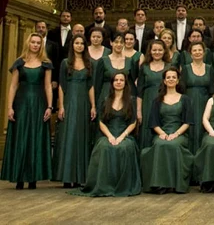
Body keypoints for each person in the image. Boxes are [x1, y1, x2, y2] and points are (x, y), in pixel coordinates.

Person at [74, 72, 140, 197]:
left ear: (126, 83)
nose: (119, 82)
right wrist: (109, 136)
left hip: (124, 134)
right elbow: (101, 122)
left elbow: (133, 123)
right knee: (104, 147)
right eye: (116, 80)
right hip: (108, 133)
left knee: (124, 147)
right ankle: (104, 185)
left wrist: (122, 136)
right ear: (112, 83)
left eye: (121, 80)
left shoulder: (131, 100)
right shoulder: (106, 100)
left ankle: (122, 186)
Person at [1, 33, 53, 189]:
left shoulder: (46, 63)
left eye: (38, 42)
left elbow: (48, 86)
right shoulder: (19, 62)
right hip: (21, 103)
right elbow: (13, 86)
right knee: (21, 137)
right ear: (28, 43)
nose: (36, 45)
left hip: (38, 102)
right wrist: (10, 107)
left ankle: (33, 178)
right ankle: (18, 176)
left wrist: (49, 106)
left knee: (35, 137)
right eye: (33, 42)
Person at [141, 68, 194, 194]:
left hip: (179, 133)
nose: (171, 79)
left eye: (173, 77)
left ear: (177, 80)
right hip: (162, 132)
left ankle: (176, 184)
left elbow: (187, 122)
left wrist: (175, 134)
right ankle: (160, 184)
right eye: (168, 77)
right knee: (160, 144)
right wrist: (163, 134)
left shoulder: (185, 99)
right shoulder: (157, 100)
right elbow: (153, 122)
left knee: (174, 145)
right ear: (164, 81)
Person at [54, 34, 96, 188]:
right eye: (76, 43)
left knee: (81, 137)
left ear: (85, 46)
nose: (79, 46)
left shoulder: (89, 63)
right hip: (70, 101)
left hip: (84, 102)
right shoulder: (65, 63)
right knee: (68, 137)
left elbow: (91, 86)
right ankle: (66, 176)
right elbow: (61, 86)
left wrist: (93, 106)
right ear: (72, 45)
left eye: (82, 43)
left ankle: (79, 176)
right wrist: (61, 106)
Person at [180, 41, 214, 155]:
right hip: (189, 104)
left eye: (200, 50)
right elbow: (181, 89)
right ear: (190, 54)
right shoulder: (185, 69)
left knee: (203, 129)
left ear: (204, 52)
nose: (197, 52)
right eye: (194, 50)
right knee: (190, 129)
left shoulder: (210, 68)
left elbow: (213, 91)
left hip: (205, 104)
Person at [136, 39, 169, 150]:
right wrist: (139, 110)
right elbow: (139, 90)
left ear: (164, 51)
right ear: (150, 51)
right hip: (147, 102)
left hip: (164, 103)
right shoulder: (144, 67)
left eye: (160, 50)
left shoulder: (170, 66)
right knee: (146, 131)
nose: (157, 52)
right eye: (154, 50)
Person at [93, 32, 135, 113]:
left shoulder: (130, 61)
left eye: (121, 42)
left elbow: (132, 83)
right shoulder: (103, 61)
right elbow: (97, 84)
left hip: (124, 98)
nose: (119, 45)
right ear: (111, 43)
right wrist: (94, 105)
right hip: (105, 96)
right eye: (116, 42)